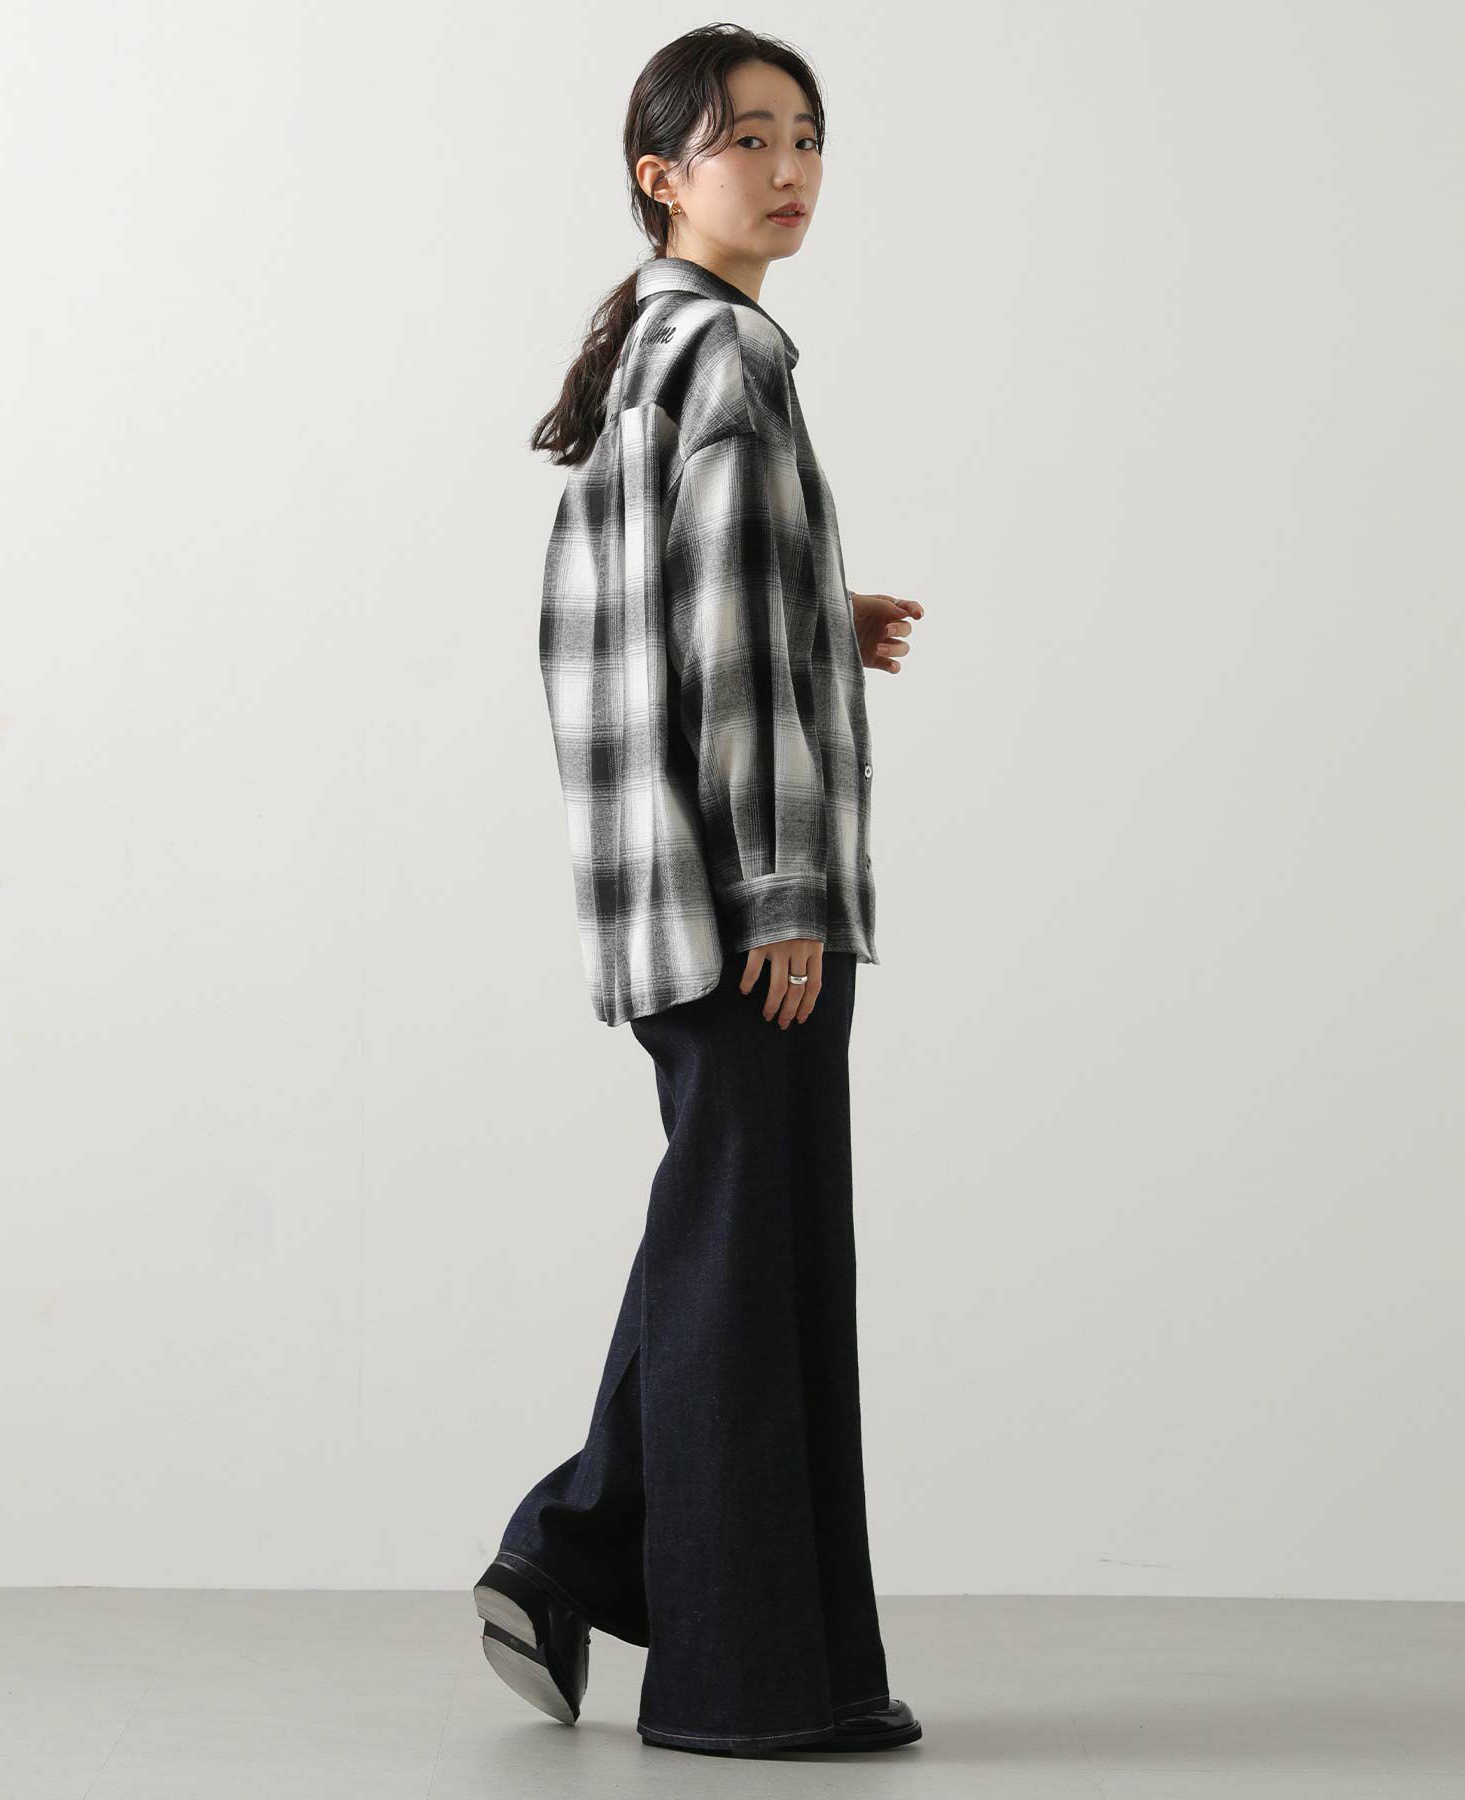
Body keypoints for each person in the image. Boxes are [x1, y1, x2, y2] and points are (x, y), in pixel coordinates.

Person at [475, 24, 926, 1760]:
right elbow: (723, 655)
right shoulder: (726, 356)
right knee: (751, 1264)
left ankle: (577, 1545)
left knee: (725, 1235)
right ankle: (743, 1684)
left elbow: (677, 605)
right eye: (749, 139)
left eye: (806, 136)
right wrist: (788, 889)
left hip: (664, 887)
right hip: (744, 901)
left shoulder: (654, 349)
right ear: (663, 174)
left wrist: (824, 608)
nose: (789, 167)